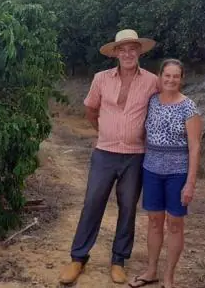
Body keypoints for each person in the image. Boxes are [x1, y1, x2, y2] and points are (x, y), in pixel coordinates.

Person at [58, 29, 160, 285]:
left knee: (127, 208)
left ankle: (118, 261)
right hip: (104, 153)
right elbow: (91, 109)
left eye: (132, 49)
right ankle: (78, 258)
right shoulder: (101, 79)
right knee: (92, 202)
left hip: (135, 156)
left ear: (139, 52)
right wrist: (104, 130)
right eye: (122, 49)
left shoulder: (151, 81)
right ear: (115, 53)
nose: (127, 54)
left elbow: (160, 109)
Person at [128, 58, 203, 288]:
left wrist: (190, 183)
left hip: (177, 174)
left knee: (175, 224)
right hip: (151, 171)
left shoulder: (188, 107)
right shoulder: (152, 101)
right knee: (153, 222)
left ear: (182, 79)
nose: (171, 80)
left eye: (175, 76)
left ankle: (169, 277)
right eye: (167, 75)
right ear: (160, 77)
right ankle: (151, 271)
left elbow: (195, 146)